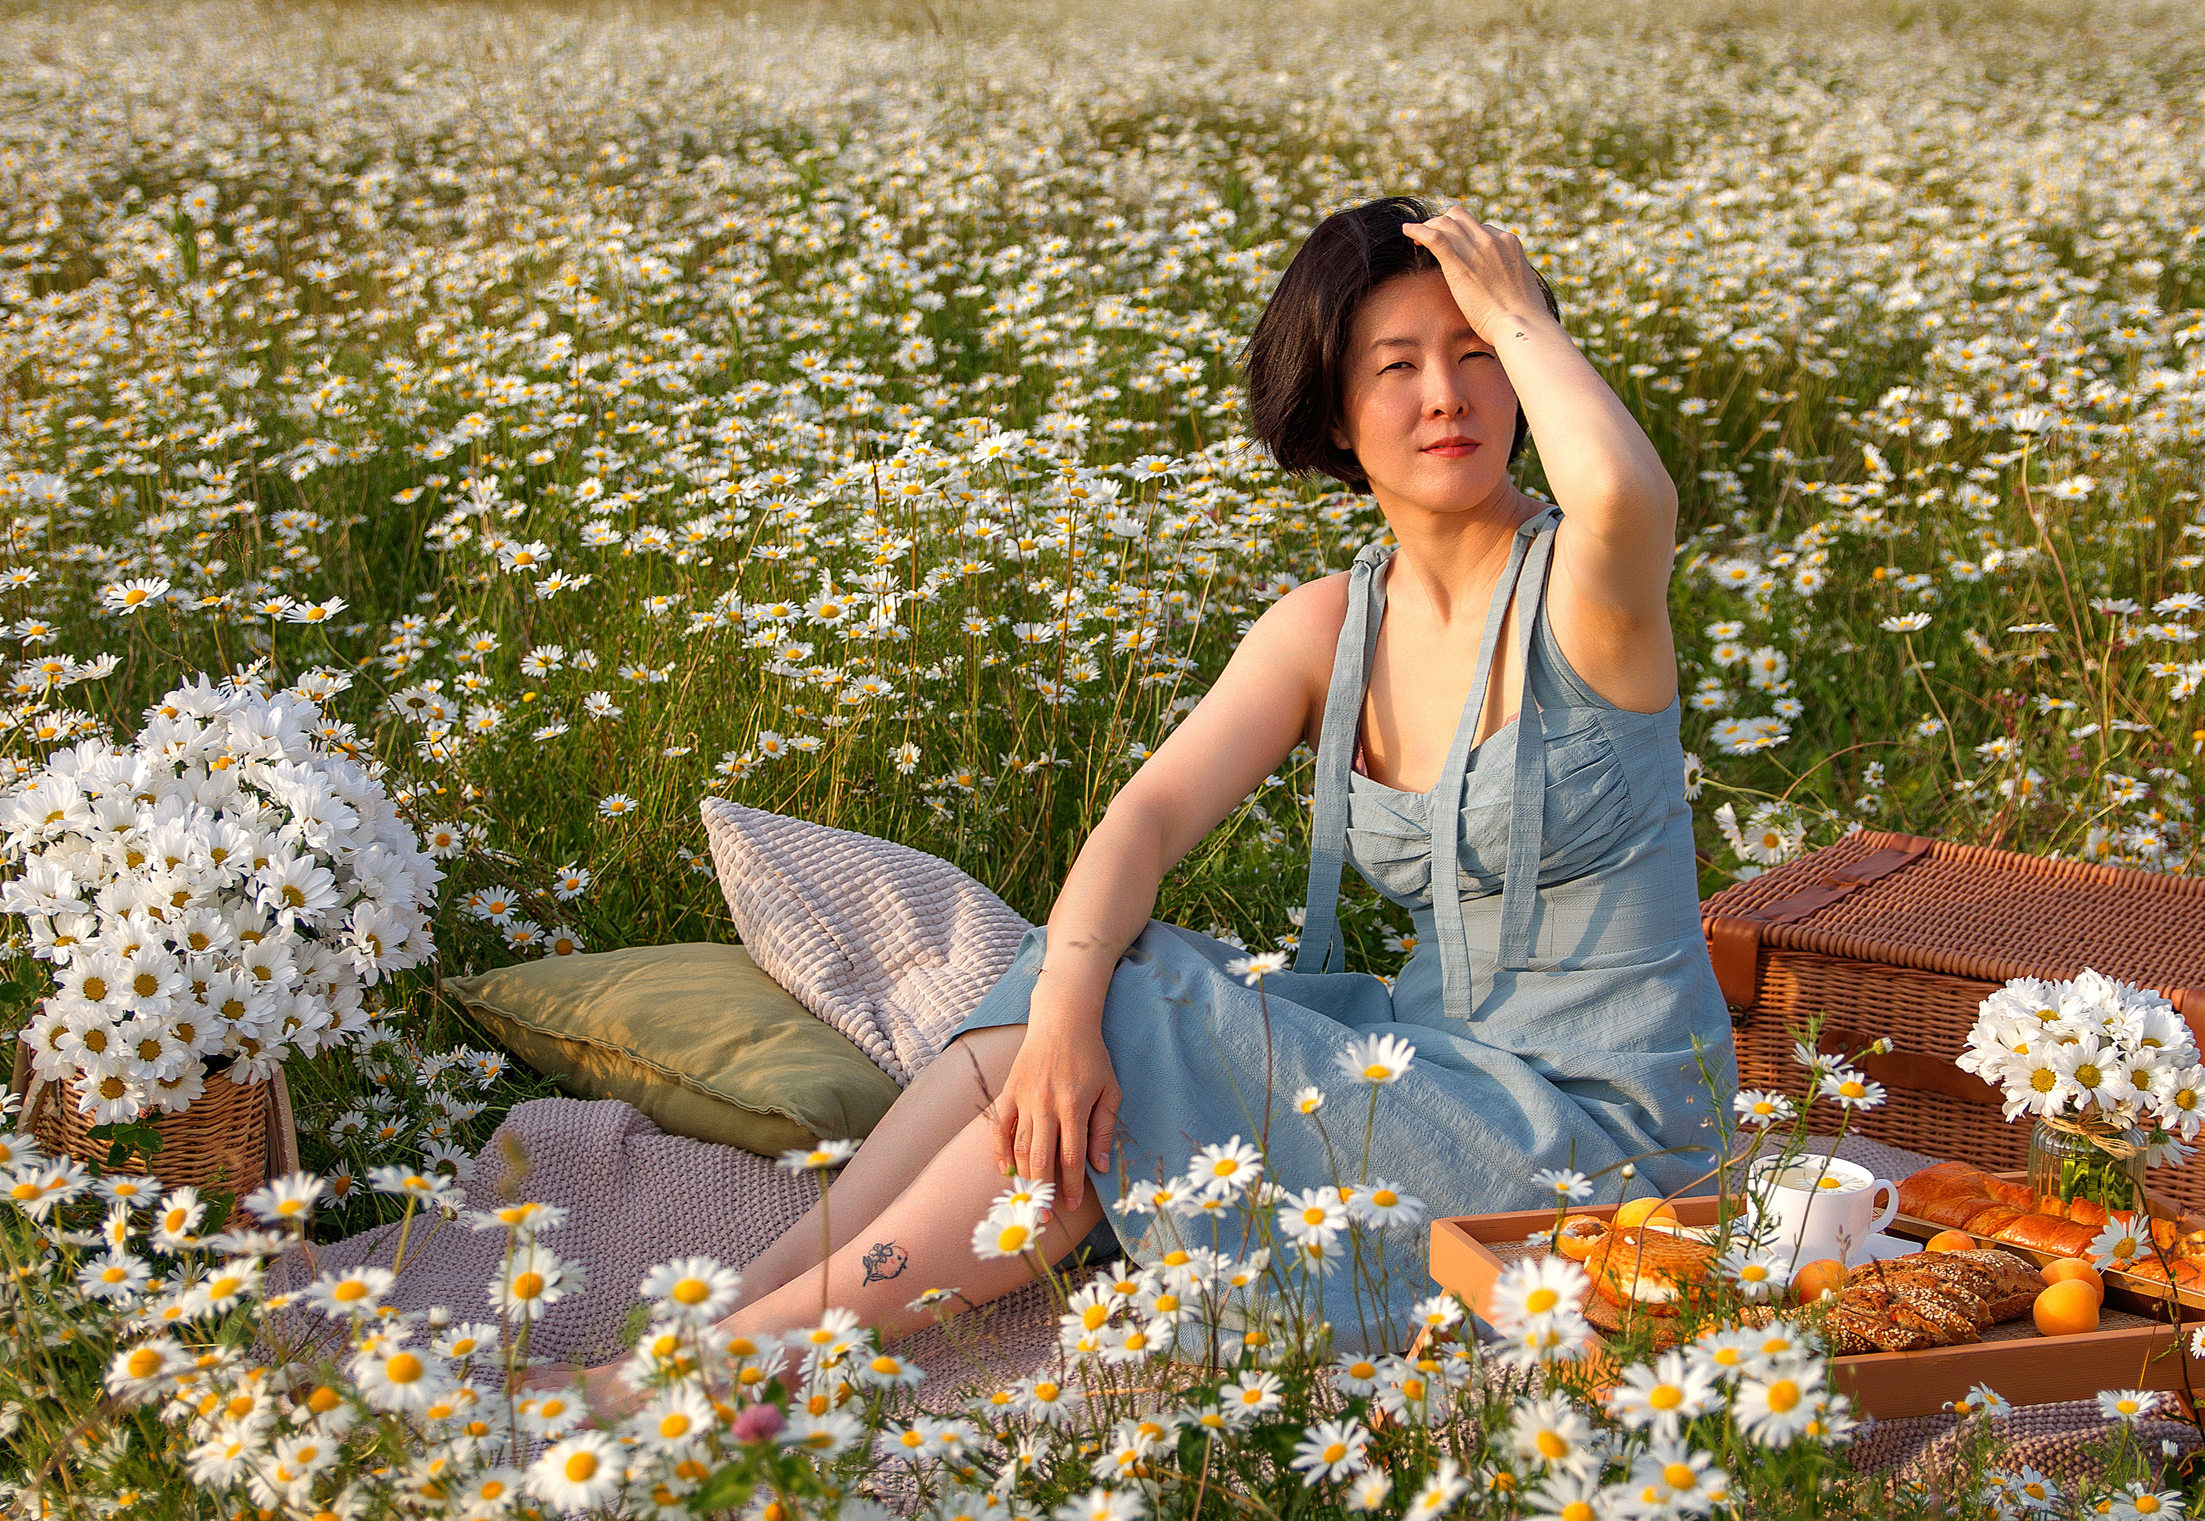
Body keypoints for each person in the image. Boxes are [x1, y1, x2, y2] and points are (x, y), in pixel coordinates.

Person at [568, 197, 1737, 1404]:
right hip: (1436, 1081)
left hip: (1604, 1157)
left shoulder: (1585, 597)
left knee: (1136, 1026)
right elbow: (1146, 819)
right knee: (1069, 990)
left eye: (1477, 353)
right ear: (1336, 416)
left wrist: (1520, 307)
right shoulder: (1332, 625)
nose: (1448, 394)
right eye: (1399, 366)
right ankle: (735, 1317)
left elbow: (1626, 496)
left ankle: (717, 1367)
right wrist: (1066, 1010)